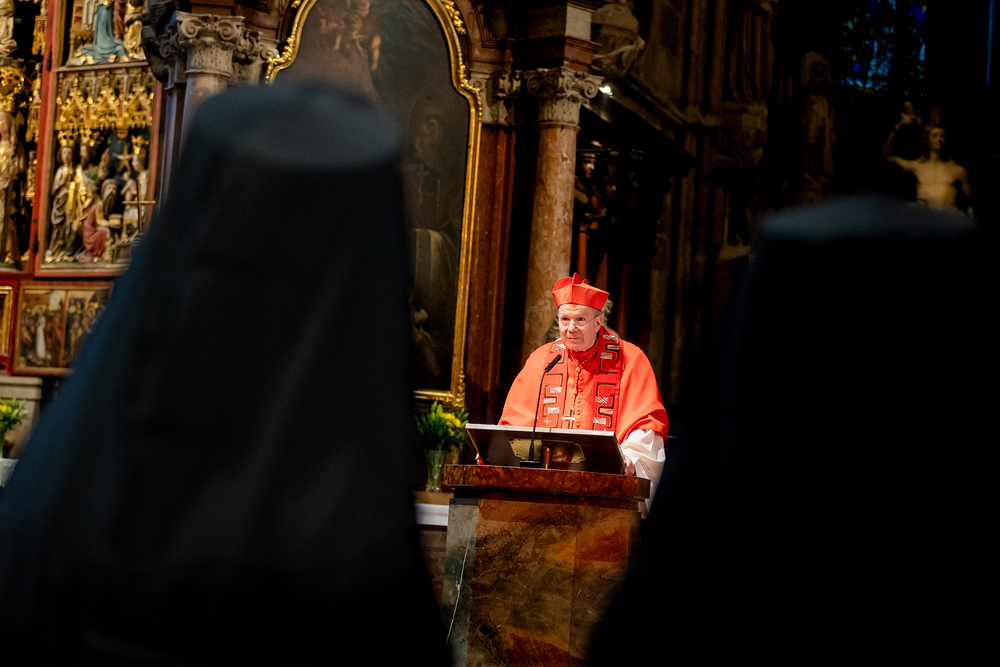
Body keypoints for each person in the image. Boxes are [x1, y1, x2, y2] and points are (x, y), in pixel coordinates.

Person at [499, 273, 669, 506]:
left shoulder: (631, 360)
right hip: (543, 492)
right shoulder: (542, 360)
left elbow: (646, 427)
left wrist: (629, 457)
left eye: (580, 319)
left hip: (603, 495)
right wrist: (497, 451)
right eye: (565, 319)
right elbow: (514, 423)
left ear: (598, 322)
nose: (571, 328)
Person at [883, 102, 971, 212]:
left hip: (948, 220)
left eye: (942, 136)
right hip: (924, 219)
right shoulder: (917, 166)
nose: (939, 139)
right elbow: (887, 156)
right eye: (935, 135)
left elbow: (970, 204)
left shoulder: (958, 170)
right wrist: (898, 127)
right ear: (927, 139)